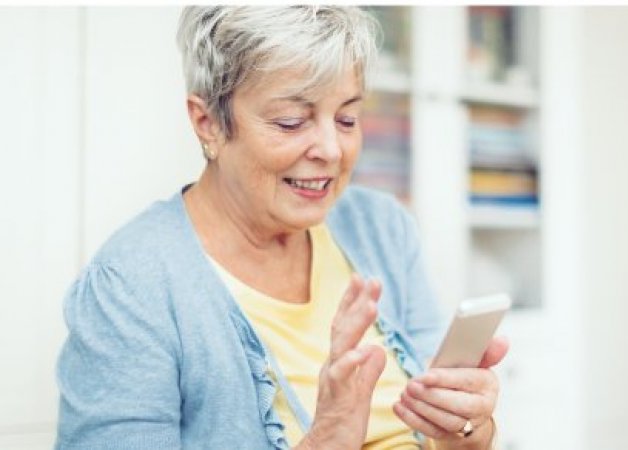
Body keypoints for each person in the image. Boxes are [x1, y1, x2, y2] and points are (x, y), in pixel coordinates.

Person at [55, 6, 509, 449]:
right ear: (207, 123)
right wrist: (326, 439)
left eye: (347, 118)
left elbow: (454, 431)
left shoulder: (381, 228)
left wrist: (468, 432)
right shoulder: (130, 288)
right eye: (291, 122)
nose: (332, 150)